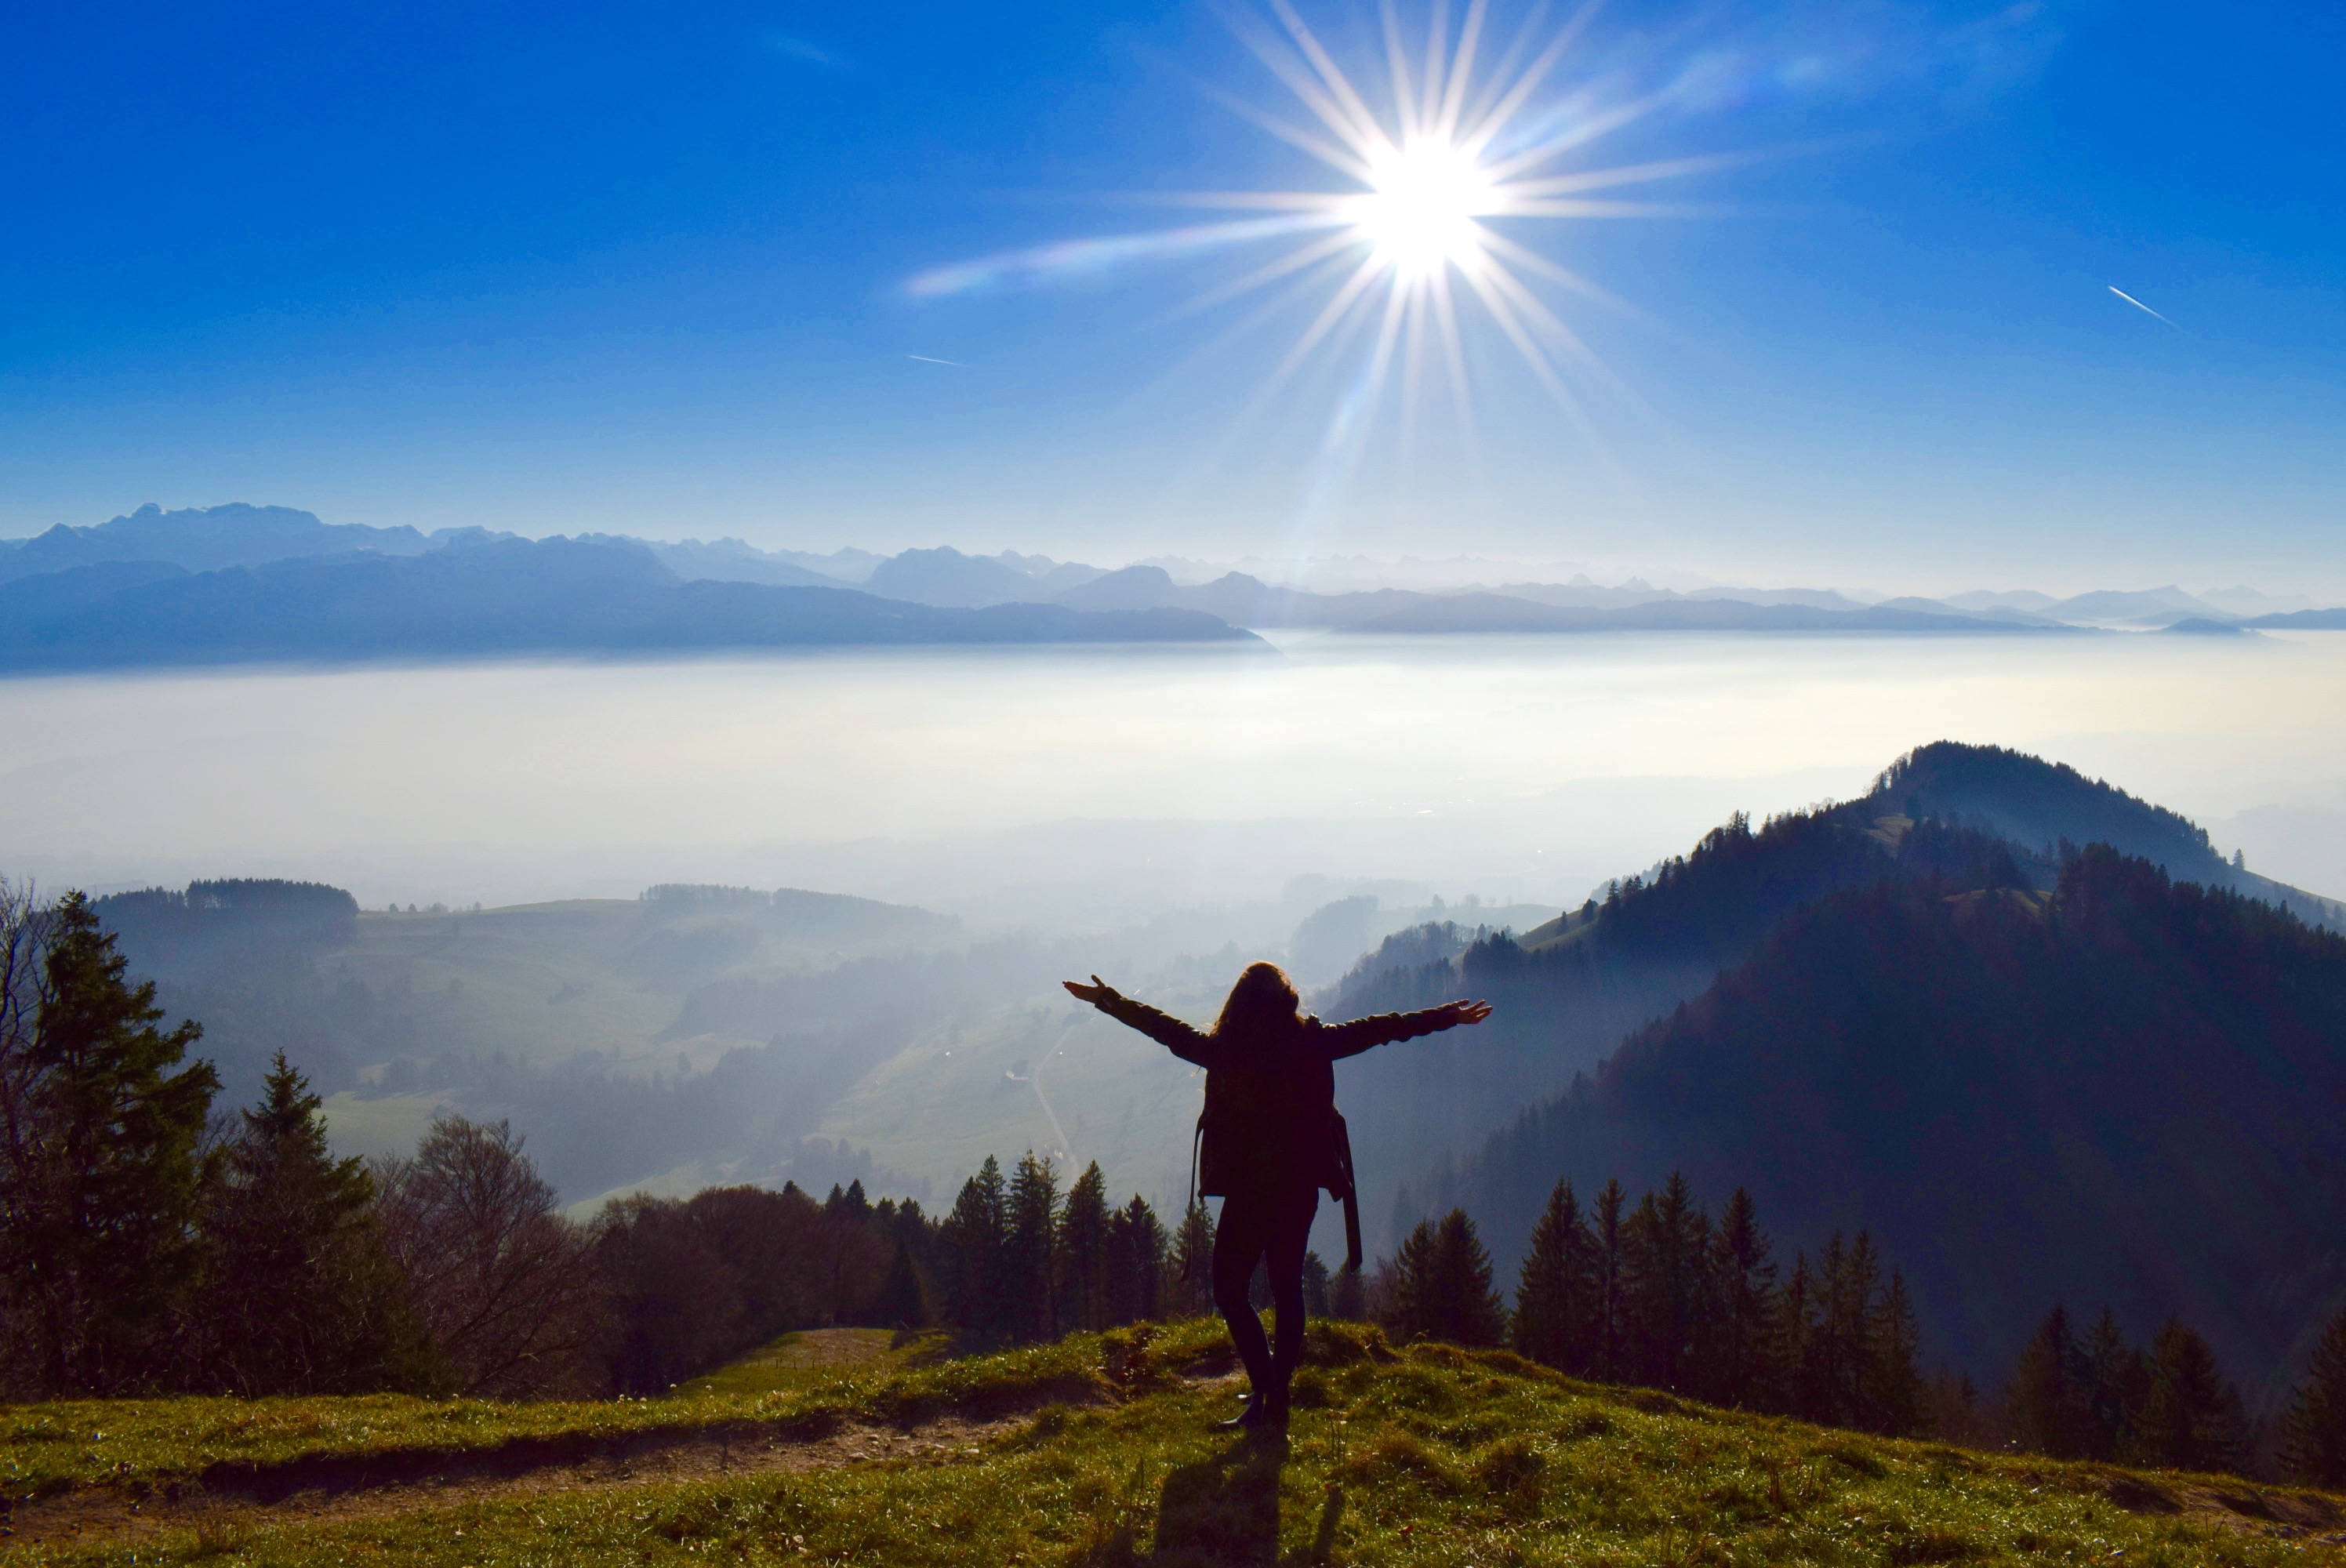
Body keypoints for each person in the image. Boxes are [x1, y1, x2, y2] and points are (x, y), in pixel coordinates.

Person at [1063, 961, 1491, 1432]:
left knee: (1229, 1289)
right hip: (1300, 1186)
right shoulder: (1313, 1040)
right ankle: (1276, 1397)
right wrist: (1446, 1016)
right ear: (1285, 1000)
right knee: (1287, 1287)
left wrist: (1108, 1001)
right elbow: (1384, 1030)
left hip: (1250, 1191)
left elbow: (1165, 1029)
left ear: (1239, 1004)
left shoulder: (1227, 1049)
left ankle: (1267, 1390)